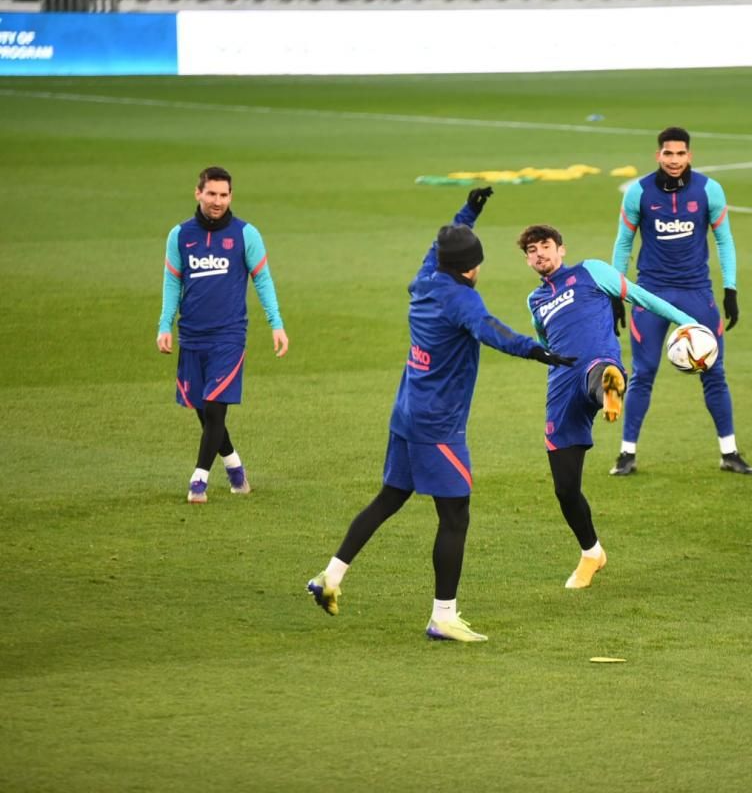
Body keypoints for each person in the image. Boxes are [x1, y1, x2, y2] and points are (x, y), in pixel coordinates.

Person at [306, 188, 574, 642]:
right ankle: (443, 616)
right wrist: (541, 353)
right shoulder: (462, 300)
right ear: (472, 266)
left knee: (389, 498)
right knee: (455, 517)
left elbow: (441, 242)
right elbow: (493, 333)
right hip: (438, 425)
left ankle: (330, 576)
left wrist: (469, 212)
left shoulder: (427, 277)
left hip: (407, 412)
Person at [519, 224, 701, 588]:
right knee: (565, 488)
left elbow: (642, 297)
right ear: (527, 260)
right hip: (560, 386)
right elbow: (545, 343)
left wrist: (688, 322)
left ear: (561, 249)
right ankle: (592, 553)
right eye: (532, 251)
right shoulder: (534, 301)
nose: (539, 254)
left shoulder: (592, 271)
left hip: (597, 362)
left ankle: (610, 394)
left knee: (600, 376)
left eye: (545, 246)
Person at [609, 126, 752, 476]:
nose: (674, 160)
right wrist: (617, 292)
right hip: (650, 293)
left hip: (696, 293)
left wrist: (730, 289)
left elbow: (725, 241)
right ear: (658, 155)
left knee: (714, 373)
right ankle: (627, 454)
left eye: (680, 154)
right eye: (667, 153)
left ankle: (729, 452)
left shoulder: (709, 190)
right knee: (643, 374)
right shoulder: (638, 193)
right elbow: (623, 244)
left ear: (690, 155)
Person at [157, 166, 289, 504]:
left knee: (215, 408)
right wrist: (164, 325)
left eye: (224, 195)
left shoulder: (246, 234)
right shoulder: (180, 235)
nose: (218, 201)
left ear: (231, 196)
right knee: (202, 408)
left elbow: (263, 280)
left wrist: (277, 324)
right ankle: (235, 468)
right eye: (212, 194)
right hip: (191, 334)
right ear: (198, 193)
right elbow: (173, 281)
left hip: (229, 336)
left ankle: (198, 479)